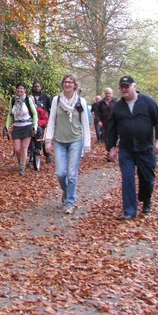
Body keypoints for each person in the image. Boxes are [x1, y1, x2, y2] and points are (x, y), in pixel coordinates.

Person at [105, 76, 158, 220]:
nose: (124, 89)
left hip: (146, 148)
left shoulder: (147, 102)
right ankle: (129, 211)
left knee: (147, 178)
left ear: (134, 86)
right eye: (122, 87)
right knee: (127, 178)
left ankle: (146, 199)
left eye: (127, 86)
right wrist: (111, 147)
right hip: (126, 149)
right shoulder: (118, 107)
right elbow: (111, 129)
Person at [45, 74, 91, 214]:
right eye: (65, 82)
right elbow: (51, 120)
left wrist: (87, 144)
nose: (67, 84)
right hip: (59, 141)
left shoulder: (80, 102)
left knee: (72, 174)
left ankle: (70, 202)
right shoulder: (56, 100)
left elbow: (85, 124)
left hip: (75, 141)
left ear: (75, 85)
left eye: (70, 82)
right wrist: (48, 140)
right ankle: (66, 191)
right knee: (60, 173)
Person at [5, 83, 38, 176]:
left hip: (27, 125)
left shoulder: (28, 100)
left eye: (22, 89)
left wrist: (35, 126)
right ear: (16, 90)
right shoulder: (13, 100)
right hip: (17, 126)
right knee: (16, 149)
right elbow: (10, 114)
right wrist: (6, 126)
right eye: (18, 88)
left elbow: (34, 113)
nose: (20, 90)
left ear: (25, 90)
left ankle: (22, 167)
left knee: (24, 148)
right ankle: (20, 163)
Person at [31, 81, 53, 162]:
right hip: (34, 120)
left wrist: (50, 120)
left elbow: (50, 108)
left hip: (44, 120)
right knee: (33, 138)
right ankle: (32, 156)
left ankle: (47, 155)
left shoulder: (46, 97)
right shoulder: (30, 97)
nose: (36, 88)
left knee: (44, 138)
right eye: (35, 86)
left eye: (38, 86)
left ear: (41, 87)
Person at [98, 87, 117, 161]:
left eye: (109, 93)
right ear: (104, 94)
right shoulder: (101, 103)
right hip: (104, 124)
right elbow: (97, 112)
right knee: (106, 138)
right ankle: (109, 151)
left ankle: (112, 152)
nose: (108, 95)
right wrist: (99, 120)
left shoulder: (116, 102)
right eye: (106, 93)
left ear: (112, 94)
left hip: (114, 124)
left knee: (113, 137)